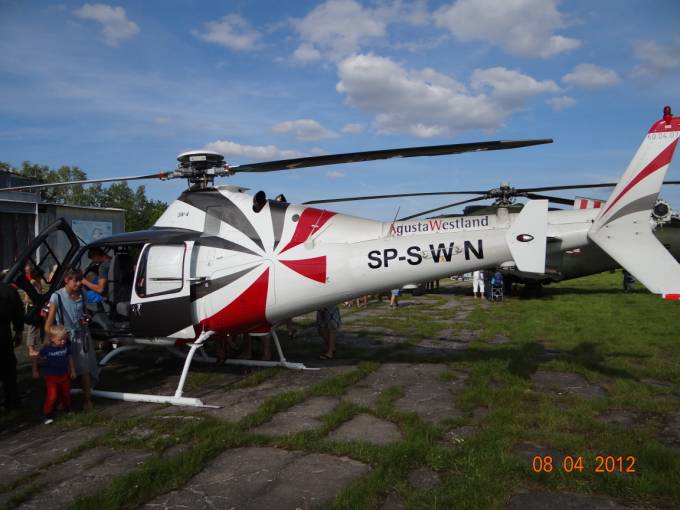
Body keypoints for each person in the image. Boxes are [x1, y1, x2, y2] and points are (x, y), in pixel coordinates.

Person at [44, 269, 99, 410]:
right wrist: (54, 338)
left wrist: (86, 319)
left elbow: (86, 312)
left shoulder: (82, 293)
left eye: (80, 280)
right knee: (64, 370)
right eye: (76, 280)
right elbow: (48, 323)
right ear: (66, 280)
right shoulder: (57, 296)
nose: (79, 283)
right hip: (65, 338)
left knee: (84, 368)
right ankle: (65, 399)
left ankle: (87, 399)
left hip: (82, 336)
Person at [32, 324, 76, 424]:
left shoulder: (65, 347)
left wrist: (72, 370)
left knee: (66, 394)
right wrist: (35, 371)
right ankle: (47, 414)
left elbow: (70, 358)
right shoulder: (47, 349)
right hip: (51, 377)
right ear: (52, 338)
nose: (63, 341)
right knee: (52, 395)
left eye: (64, 339)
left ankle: (67, 409)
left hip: (64, 375)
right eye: (61, 339)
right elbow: (35, 357)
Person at [0, 281, 24, 410]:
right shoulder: (8, 290)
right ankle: (12, 400)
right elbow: (18, 311)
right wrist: (19, 330)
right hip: (3, 334)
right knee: (8, 369)